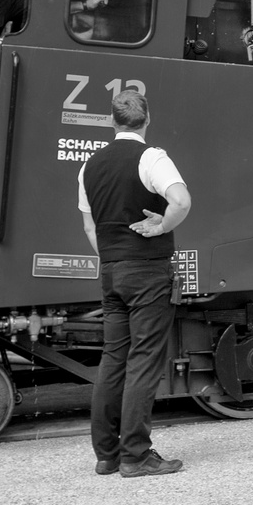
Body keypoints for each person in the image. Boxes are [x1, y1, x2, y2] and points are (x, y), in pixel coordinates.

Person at [78, 90, 191, 478]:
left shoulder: (89, 166)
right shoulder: (151, 157)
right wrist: (160, 225)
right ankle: (136, 456)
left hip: (110, 272)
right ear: (147, 119)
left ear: (112, 121)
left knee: (113, 360)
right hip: (146, 272)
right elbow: (181, 201)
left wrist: (112, 255)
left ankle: (107, 454)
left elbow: (90, 226)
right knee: (144, 360)